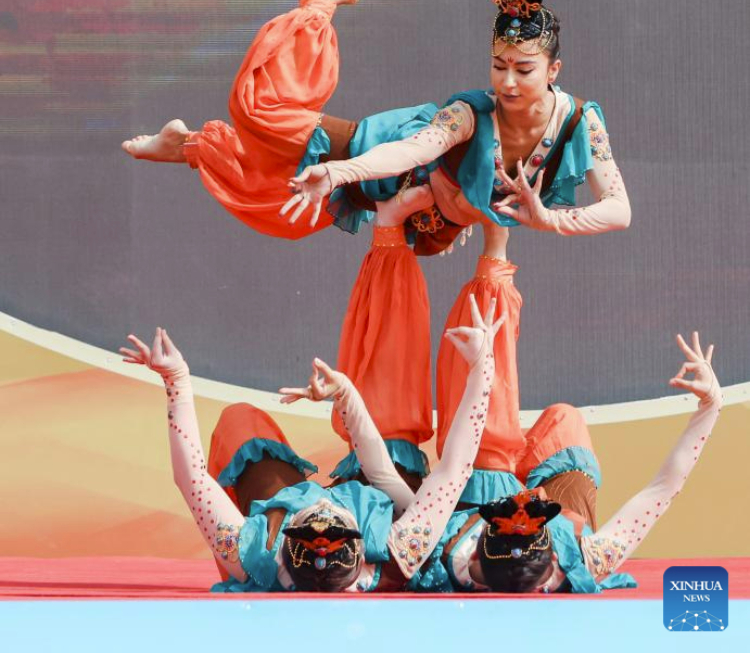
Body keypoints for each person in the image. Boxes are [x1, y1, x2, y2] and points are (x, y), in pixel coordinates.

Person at [122, 0, 629, 256]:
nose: (508, 81)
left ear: (554, 69)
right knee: (259, 109)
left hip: (414, 219)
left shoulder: (581, 122)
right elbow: (411, 150)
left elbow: (618, 210)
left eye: (523, 69)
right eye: (499, 67)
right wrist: (338, 169)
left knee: (272, 200)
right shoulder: (471, 114)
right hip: (368, 159)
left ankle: (185, 145)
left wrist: (551, 220)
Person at [119, 197, 506, 593]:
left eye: (312, 515)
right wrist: (482, 366)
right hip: (379, 508)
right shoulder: (399, 552)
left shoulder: (252, 552)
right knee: (393, 461)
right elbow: (454, 470)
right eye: (332, 514)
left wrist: (177, 382)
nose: (324, 504)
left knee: (241, 422)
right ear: (358, 550)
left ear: (289, 542)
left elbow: (191, 479)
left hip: (280, 521)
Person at [428, 332, 722, 593]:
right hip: (563, 514)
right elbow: (661, 491)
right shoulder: (585, 557)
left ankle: (502, 468)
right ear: (556, 555)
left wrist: (481, 373)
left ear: (475, 553)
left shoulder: (433, 550)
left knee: (481, 461)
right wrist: (711, 406)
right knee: (566, 419)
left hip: (479, 496)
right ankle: (513, 468)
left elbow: (455, 464)